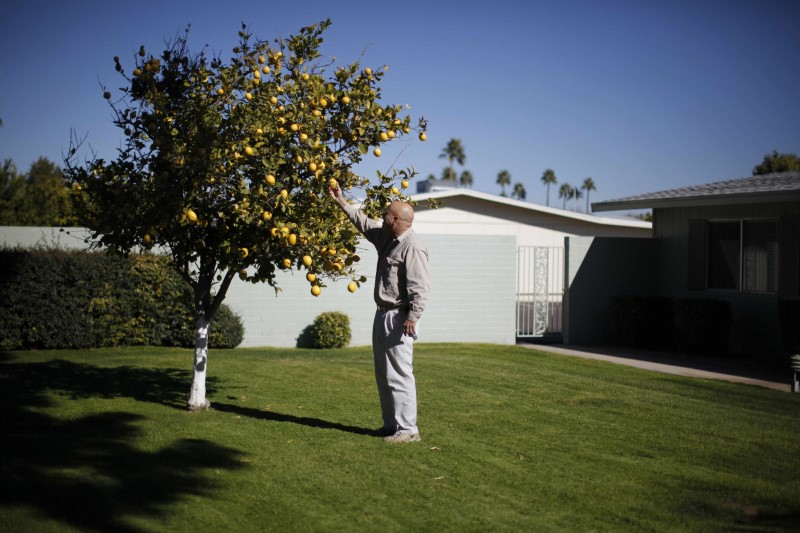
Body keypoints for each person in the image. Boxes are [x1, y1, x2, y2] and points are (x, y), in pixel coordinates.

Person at [328, 184, 430, 444]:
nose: (383, 216)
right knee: (384, 374)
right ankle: (391, 425)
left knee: (400, 374)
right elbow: (362, 221)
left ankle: (408, 430)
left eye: (387, 213)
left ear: (396, 219)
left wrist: (413, 317)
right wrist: (340, 200)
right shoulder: (385, 237)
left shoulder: (413, 246)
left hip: (400, 317)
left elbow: (420, 287)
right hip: (382, 314)